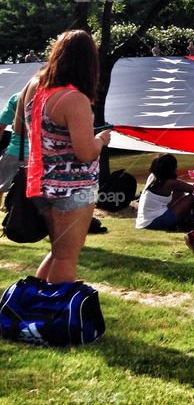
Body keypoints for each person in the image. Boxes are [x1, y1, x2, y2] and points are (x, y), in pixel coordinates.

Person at [13, 30, 111, 283]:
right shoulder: (74, 99)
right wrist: (101, 140)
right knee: (67, 257)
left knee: (58, 252)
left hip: (38, 185)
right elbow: (85, 152)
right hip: (72, 188)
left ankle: (34, 308)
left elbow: (19, 128)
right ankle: (53, 316)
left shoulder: (33, 87)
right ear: (89, 62)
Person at [136, 154, 194, 230]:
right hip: (156, 221)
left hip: (144, 222)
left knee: (179, 192)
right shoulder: (170, 183)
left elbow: (181, 185)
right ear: (171, 169)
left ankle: (190, 220)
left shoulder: (153, 177)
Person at [0, 91, 28, 206]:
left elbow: (1, 126)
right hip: (41, 155)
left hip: (16, 151)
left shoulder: (18, 97)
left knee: (1, 186)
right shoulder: (57, 98)